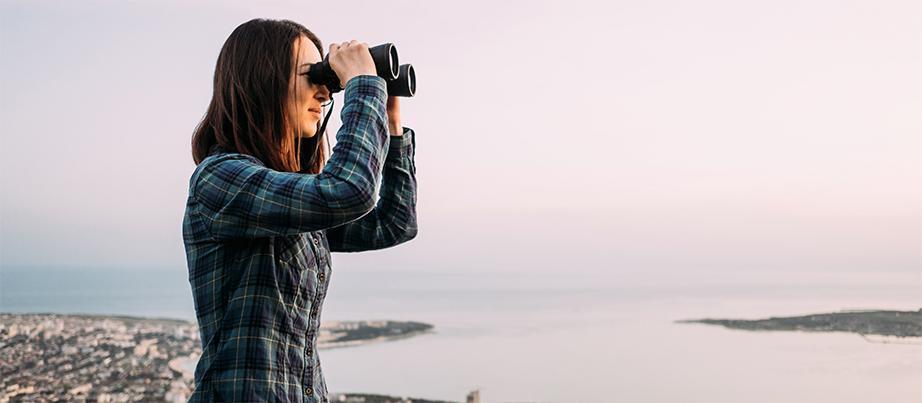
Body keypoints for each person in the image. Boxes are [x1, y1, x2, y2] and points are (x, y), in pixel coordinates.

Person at [182, 18, 418, 402]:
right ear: (263, 80)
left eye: (327, 80)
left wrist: (389, 124)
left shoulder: (288, 202)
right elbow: (350, 191)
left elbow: (394, 224)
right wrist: (363, 89)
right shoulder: (221, 179)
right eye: (313, 76)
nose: (325, 93)